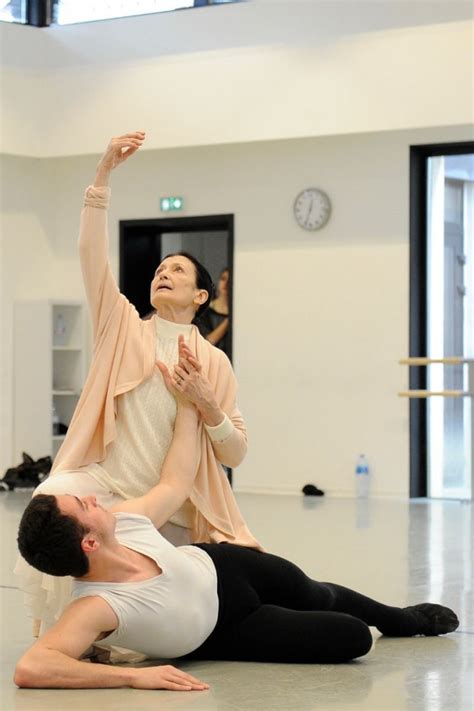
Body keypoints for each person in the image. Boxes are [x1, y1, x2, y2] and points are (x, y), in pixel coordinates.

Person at [15, 378, 459, 690]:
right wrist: (134, 675)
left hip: (224, 564)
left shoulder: (125, 519)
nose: (94, 499)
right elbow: (32, 668)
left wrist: (189, 407)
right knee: (351, 637)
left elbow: (174, 481)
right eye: (83, 506)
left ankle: (403, 619)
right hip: (227, 629)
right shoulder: (93, 606)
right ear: (87, 543)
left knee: (317, 593)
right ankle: (375, 623)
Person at [15, 132, 259, 635]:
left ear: (201, 295)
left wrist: (209, 407)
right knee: (50, 500)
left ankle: (112, 631)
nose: (163, 273)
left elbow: (235, 454)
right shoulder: (122, 326)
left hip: (169, 501)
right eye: (160, 269)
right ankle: (69, 631)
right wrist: (101, 177)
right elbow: (90, 254)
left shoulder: (214, 362)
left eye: (177, 270)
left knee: (217, 595)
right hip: (103, 482)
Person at [196, 267, 231, 357]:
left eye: (230, 280)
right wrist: (229, 320)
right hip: (213, 361)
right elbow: (208, 341)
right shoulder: (205, 310)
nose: (226, 283)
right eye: (223, 279)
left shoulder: (241, 312)